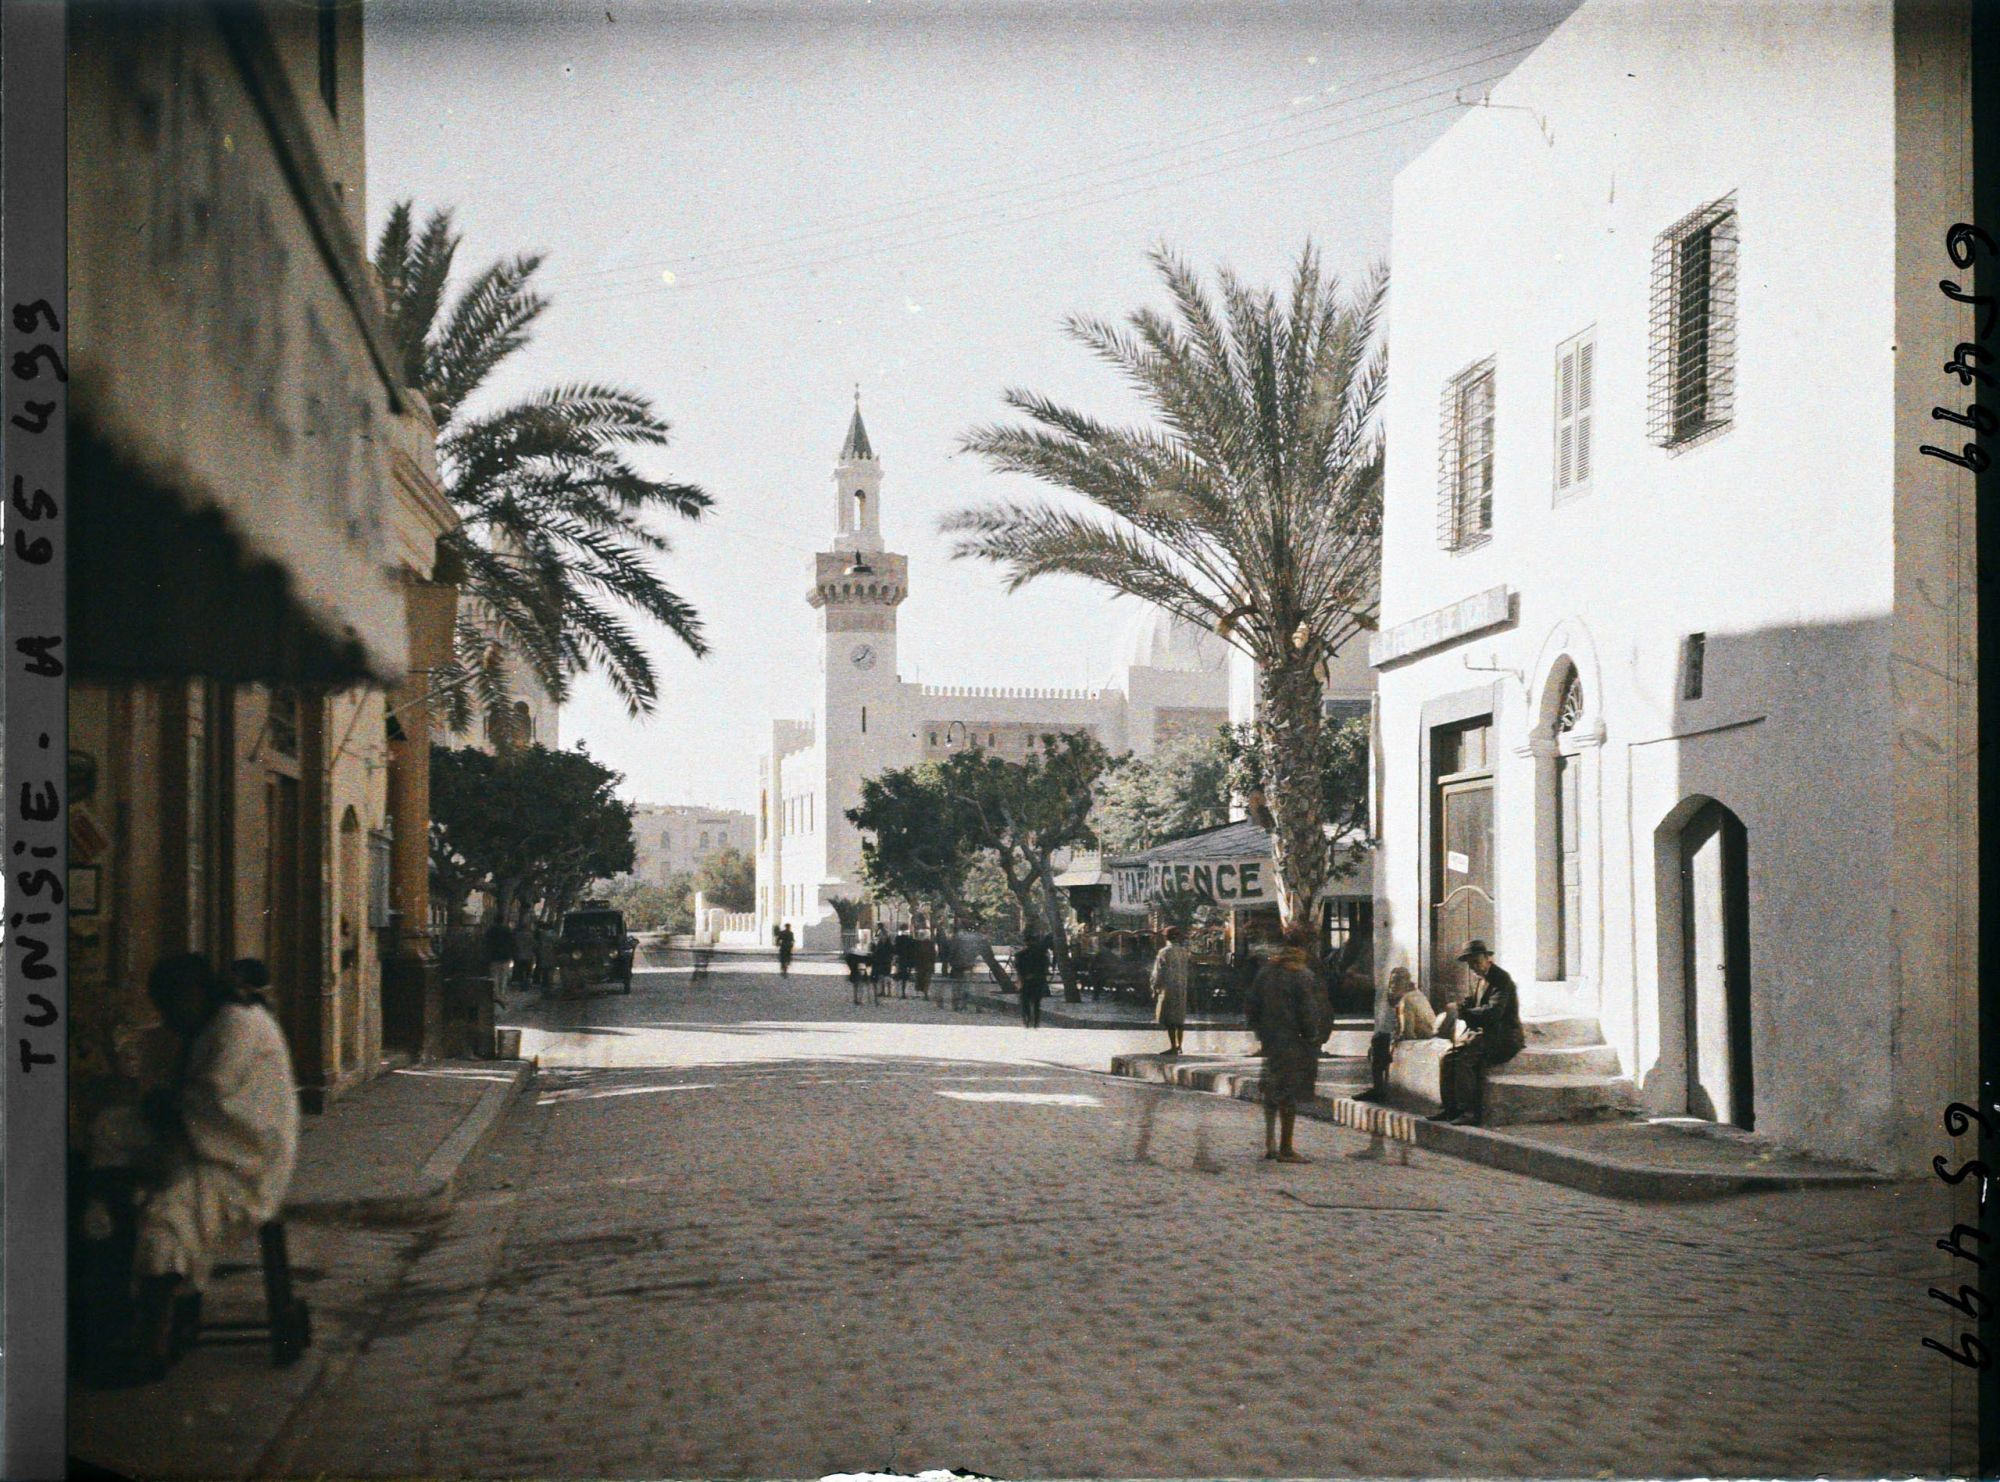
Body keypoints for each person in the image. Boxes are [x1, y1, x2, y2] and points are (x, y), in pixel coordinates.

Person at [101, 954, 301, 1383]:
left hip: (245, 1164)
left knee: (167, 1214)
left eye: (171, 1005)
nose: (168, 1017)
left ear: (194, 994)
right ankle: (126, 1271)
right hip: (217, 1146)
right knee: (109, 1131)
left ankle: (151, 1342)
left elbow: (210, 1104)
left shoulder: (236, 1026)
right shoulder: (216, 1023)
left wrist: (167, 1112)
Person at [1245, 926, 1329, 1163]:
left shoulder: (1267, 971)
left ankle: (1269, 1144)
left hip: (1270, 1040)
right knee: (1288, 1093)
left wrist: (1261, 1032)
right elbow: (1308, 1011)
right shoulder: (1302, 974)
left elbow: (1251, 1004)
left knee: (1271, 1090)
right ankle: (1286, 1148)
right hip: (1293, 1040)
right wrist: (1313, 1036)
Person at [1430, 939, 1525, 1126]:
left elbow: (1493, 1012)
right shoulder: (1481, 979)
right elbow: (1472, 1002)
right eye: (1470, 964)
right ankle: (1450, 1109)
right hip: (1487, 1035)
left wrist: (1463, 1012)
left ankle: (1468, 1112)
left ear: (1488, 958)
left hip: (1504, 1037)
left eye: (1476, 962)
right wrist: (1458, 1006)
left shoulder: (1501, 980)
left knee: (1464, 1060)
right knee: (1447, 1058)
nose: (1473, 967)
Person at [1358, 966, 1457, 1102]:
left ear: (1405, 983)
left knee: (1379, 1041)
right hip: (1427, 1035)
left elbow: (1408, 1033)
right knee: (1380, 1041)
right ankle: (1380, 1087)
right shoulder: (1415, 994)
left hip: (1424, 1037)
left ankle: (1378, 1089)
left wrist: (1393, 1040)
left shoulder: (1407, 999)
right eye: (1391, 982)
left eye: (1396, 982)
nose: (1392, 987)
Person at [1149, 926, 1192, 1056]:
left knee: (1170, 1018)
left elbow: (1158, 972)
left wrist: (1155, 987)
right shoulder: (1184, 952)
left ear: (1166, 937)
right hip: (1182, 986)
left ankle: (1173, 1046)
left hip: (1168, 987)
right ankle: (1180, 1046)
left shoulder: (1164, 952)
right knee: (1179, 1017)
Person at [1015, 934, 1052, 1028]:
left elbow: (1018, 969)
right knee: (1036, 1002)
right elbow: (1045, 969)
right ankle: (1035, 1020)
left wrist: (1023, 977)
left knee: (1026, 1001)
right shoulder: (1042, 955)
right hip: (1038, 981)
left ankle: (1027, 1019)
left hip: (1026, 981)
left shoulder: (1020, 955)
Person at [483, 914, 517, 1005]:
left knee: (494, 977)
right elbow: (512, 943)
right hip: (505, 957)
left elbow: (486, 943)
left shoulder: (490, 930)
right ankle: (502, 995)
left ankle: (495, 995)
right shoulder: (507, 930)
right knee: (504, 977)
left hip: (494, 957)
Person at [869, 930, 895, 1001]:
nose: (882, 937)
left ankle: (889, 992)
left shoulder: (889, 944)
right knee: (881, 977)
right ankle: (883, 991)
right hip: (880, 962)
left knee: (887, 977)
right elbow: (876, 952)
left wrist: (891, 958)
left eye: (883, 935)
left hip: (887, 962)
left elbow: (893, 951)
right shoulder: (879, 944)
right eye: (881, 935)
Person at [913, 931, 937, 999]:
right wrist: (933, 962)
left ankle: (920, 993)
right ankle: (925, 993)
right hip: (928, 964)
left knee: (920, 978)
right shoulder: (931, 944)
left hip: (920, 965)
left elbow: (916, 954)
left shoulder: (918, 944)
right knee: (927, 979)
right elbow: (933, 954)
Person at [893, 927, 916, 998]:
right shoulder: (910, 939)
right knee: (906, 976)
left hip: (901, 959)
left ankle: (901, 992)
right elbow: (913, 950)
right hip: (908, 960)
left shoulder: (898, 939)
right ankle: (904, 992)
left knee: (901, 975)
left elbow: (896, 949)